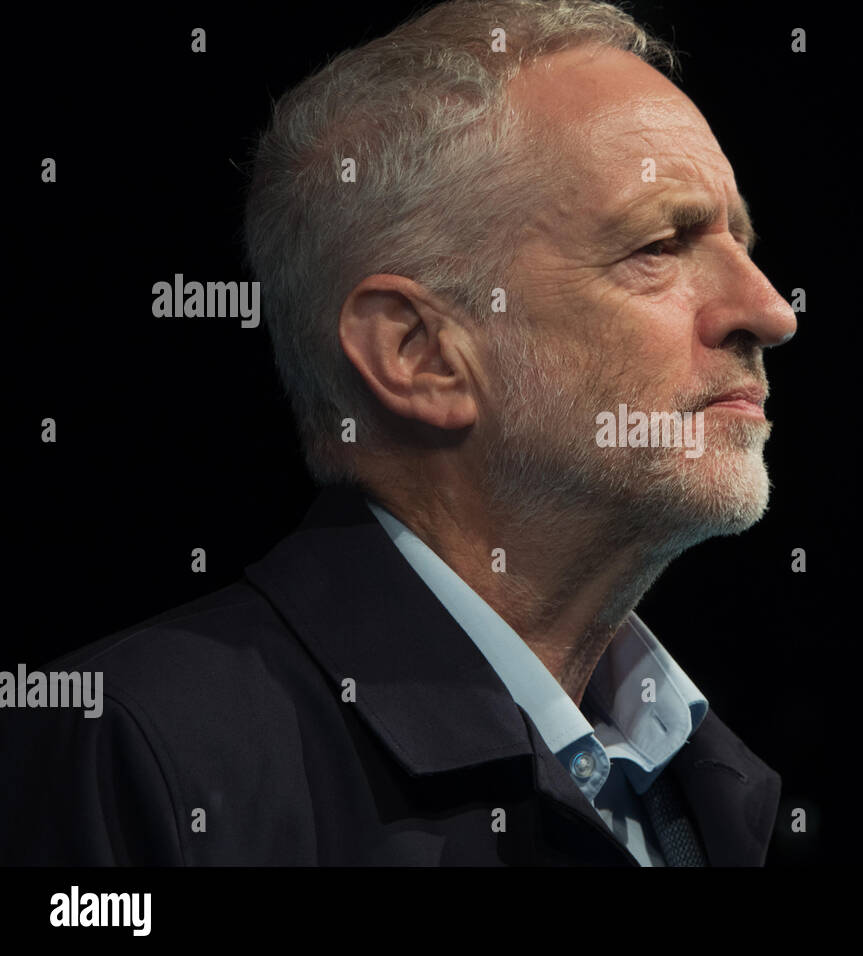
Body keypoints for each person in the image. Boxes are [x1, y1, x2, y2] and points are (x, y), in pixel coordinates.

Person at [0, 0, 796, 866]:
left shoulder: (703, 789)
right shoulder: (134, 750)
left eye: (741, 242)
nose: (767, 311)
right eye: (658, 245)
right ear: (418, 354)